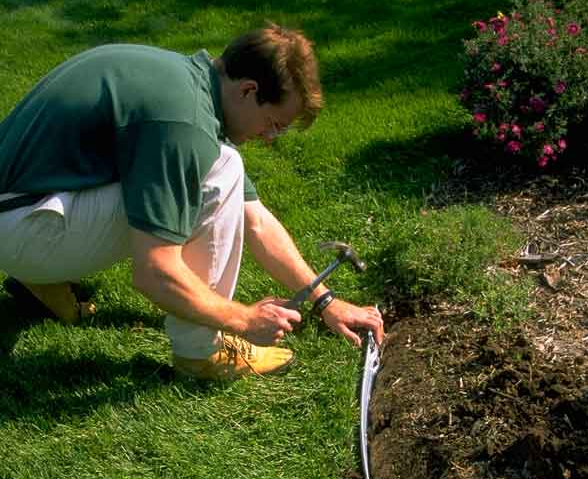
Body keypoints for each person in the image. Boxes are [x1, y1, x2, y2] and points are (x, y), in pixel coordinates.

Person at [0, 24, 384, 380]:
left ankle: (42, 279)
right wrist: (244, 319)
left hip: (20, 209)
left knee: (221, 165)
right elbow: (155, 271)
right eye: (274, 124)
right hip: (21, 229)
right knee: (224, 169)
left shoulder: (184, 82)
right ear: (249, 90)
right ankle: (200, 351)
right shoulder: (184, 125)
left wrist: (325, 301)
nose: (270, 137)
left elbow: (256, 221)